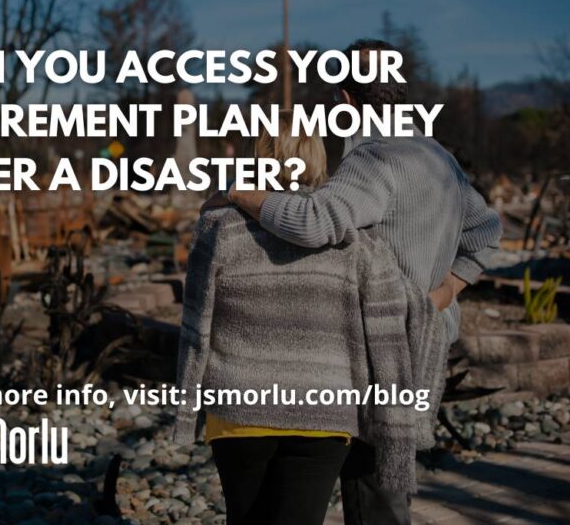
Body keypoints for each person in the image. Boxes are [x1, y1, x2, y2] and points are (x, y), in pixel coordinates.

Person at [218, 39, 504, 525]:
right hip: (425, 338)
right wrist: (443, 294)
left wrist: (242, 195)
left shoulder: (374, 160)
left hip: (381, 346)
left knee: (373, 488)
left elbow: (313, 221)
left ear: (346, 100)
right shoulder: (438, 156)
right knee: (386, 481)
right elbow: (486, 231)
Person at [174, 116, 449, 525]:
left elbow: (197, 325)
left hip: (239, 410)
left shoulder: (220, 225)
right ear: (319, 161)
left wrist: (185, 411)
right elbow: (387, 333)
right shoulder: (354, 237)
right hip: (324, 413)